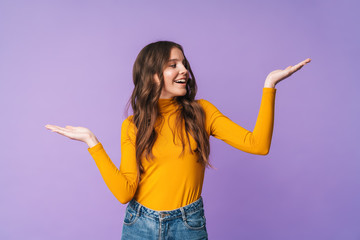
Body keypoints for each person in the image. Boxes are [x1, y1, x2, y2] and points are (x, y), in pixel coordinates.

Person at [45, 41, 311, 239]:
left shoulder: (202, 112)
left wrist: (269, 85)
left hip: (188, 224)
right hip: (140, 225)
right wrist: (93, 143)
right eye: (173, 65)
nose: (184, 70)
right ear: (152, 75)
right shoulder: (133, 126)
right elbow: (125, 192)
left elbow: (258, 145)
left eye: (183, 63)